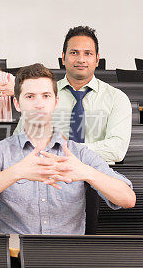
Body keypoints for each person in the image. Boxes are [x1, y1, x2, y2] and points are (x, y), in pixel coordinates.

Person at [0, 63, 135, 235]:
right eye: (30, 97)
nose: (39, 104)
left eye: (46, 96)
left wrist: (87, 173)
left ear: (55, 102)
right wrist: (15, 173)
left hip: (67, 257)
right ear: (17, 104)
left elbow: (127, 199)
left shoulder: (78, 153)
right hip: (13, 258)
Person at [17, 26, 130, 164]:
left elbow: (116, 150)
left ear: (97, 59)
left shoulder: (117, 98)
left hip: (97, 175)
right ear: (63, 58)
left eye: (88, 53)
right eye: (74, 53)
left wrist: (62, 150)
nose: (81, 59)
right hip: (48, 173)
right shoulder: (40, 95)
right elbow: (19, 141)